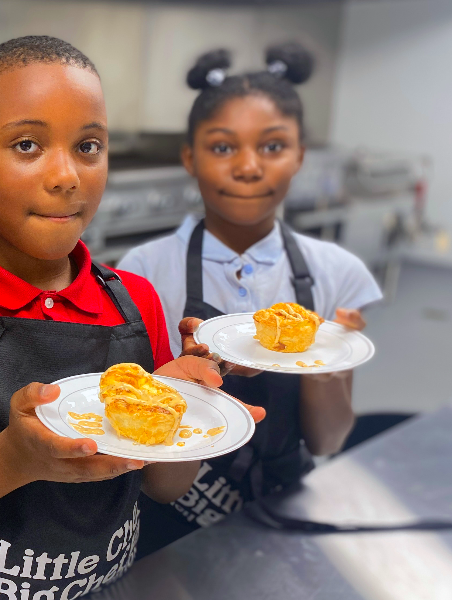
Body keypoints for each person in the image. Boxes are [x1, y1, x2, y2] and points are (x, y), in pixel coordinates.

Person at [0, 36, 265, 599]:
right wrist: (14, 459)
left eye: (88, 146)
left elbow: (163, 486)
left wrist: (191, 409)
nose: (66, 176)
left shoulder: (135, 300)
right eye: (28, 144)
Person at [117, 43, 382, 557]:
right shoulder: (143, 272)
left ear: (300, 155)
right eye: (222, 148)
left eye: (272, 146)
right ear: (190, 157)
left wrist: (327, 361)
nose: (248, 167)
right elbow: (150, 469)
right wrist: (188, 380)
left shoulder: (334, 272)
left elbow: (328, 442)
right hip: (174, 518)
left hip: (286, 508)